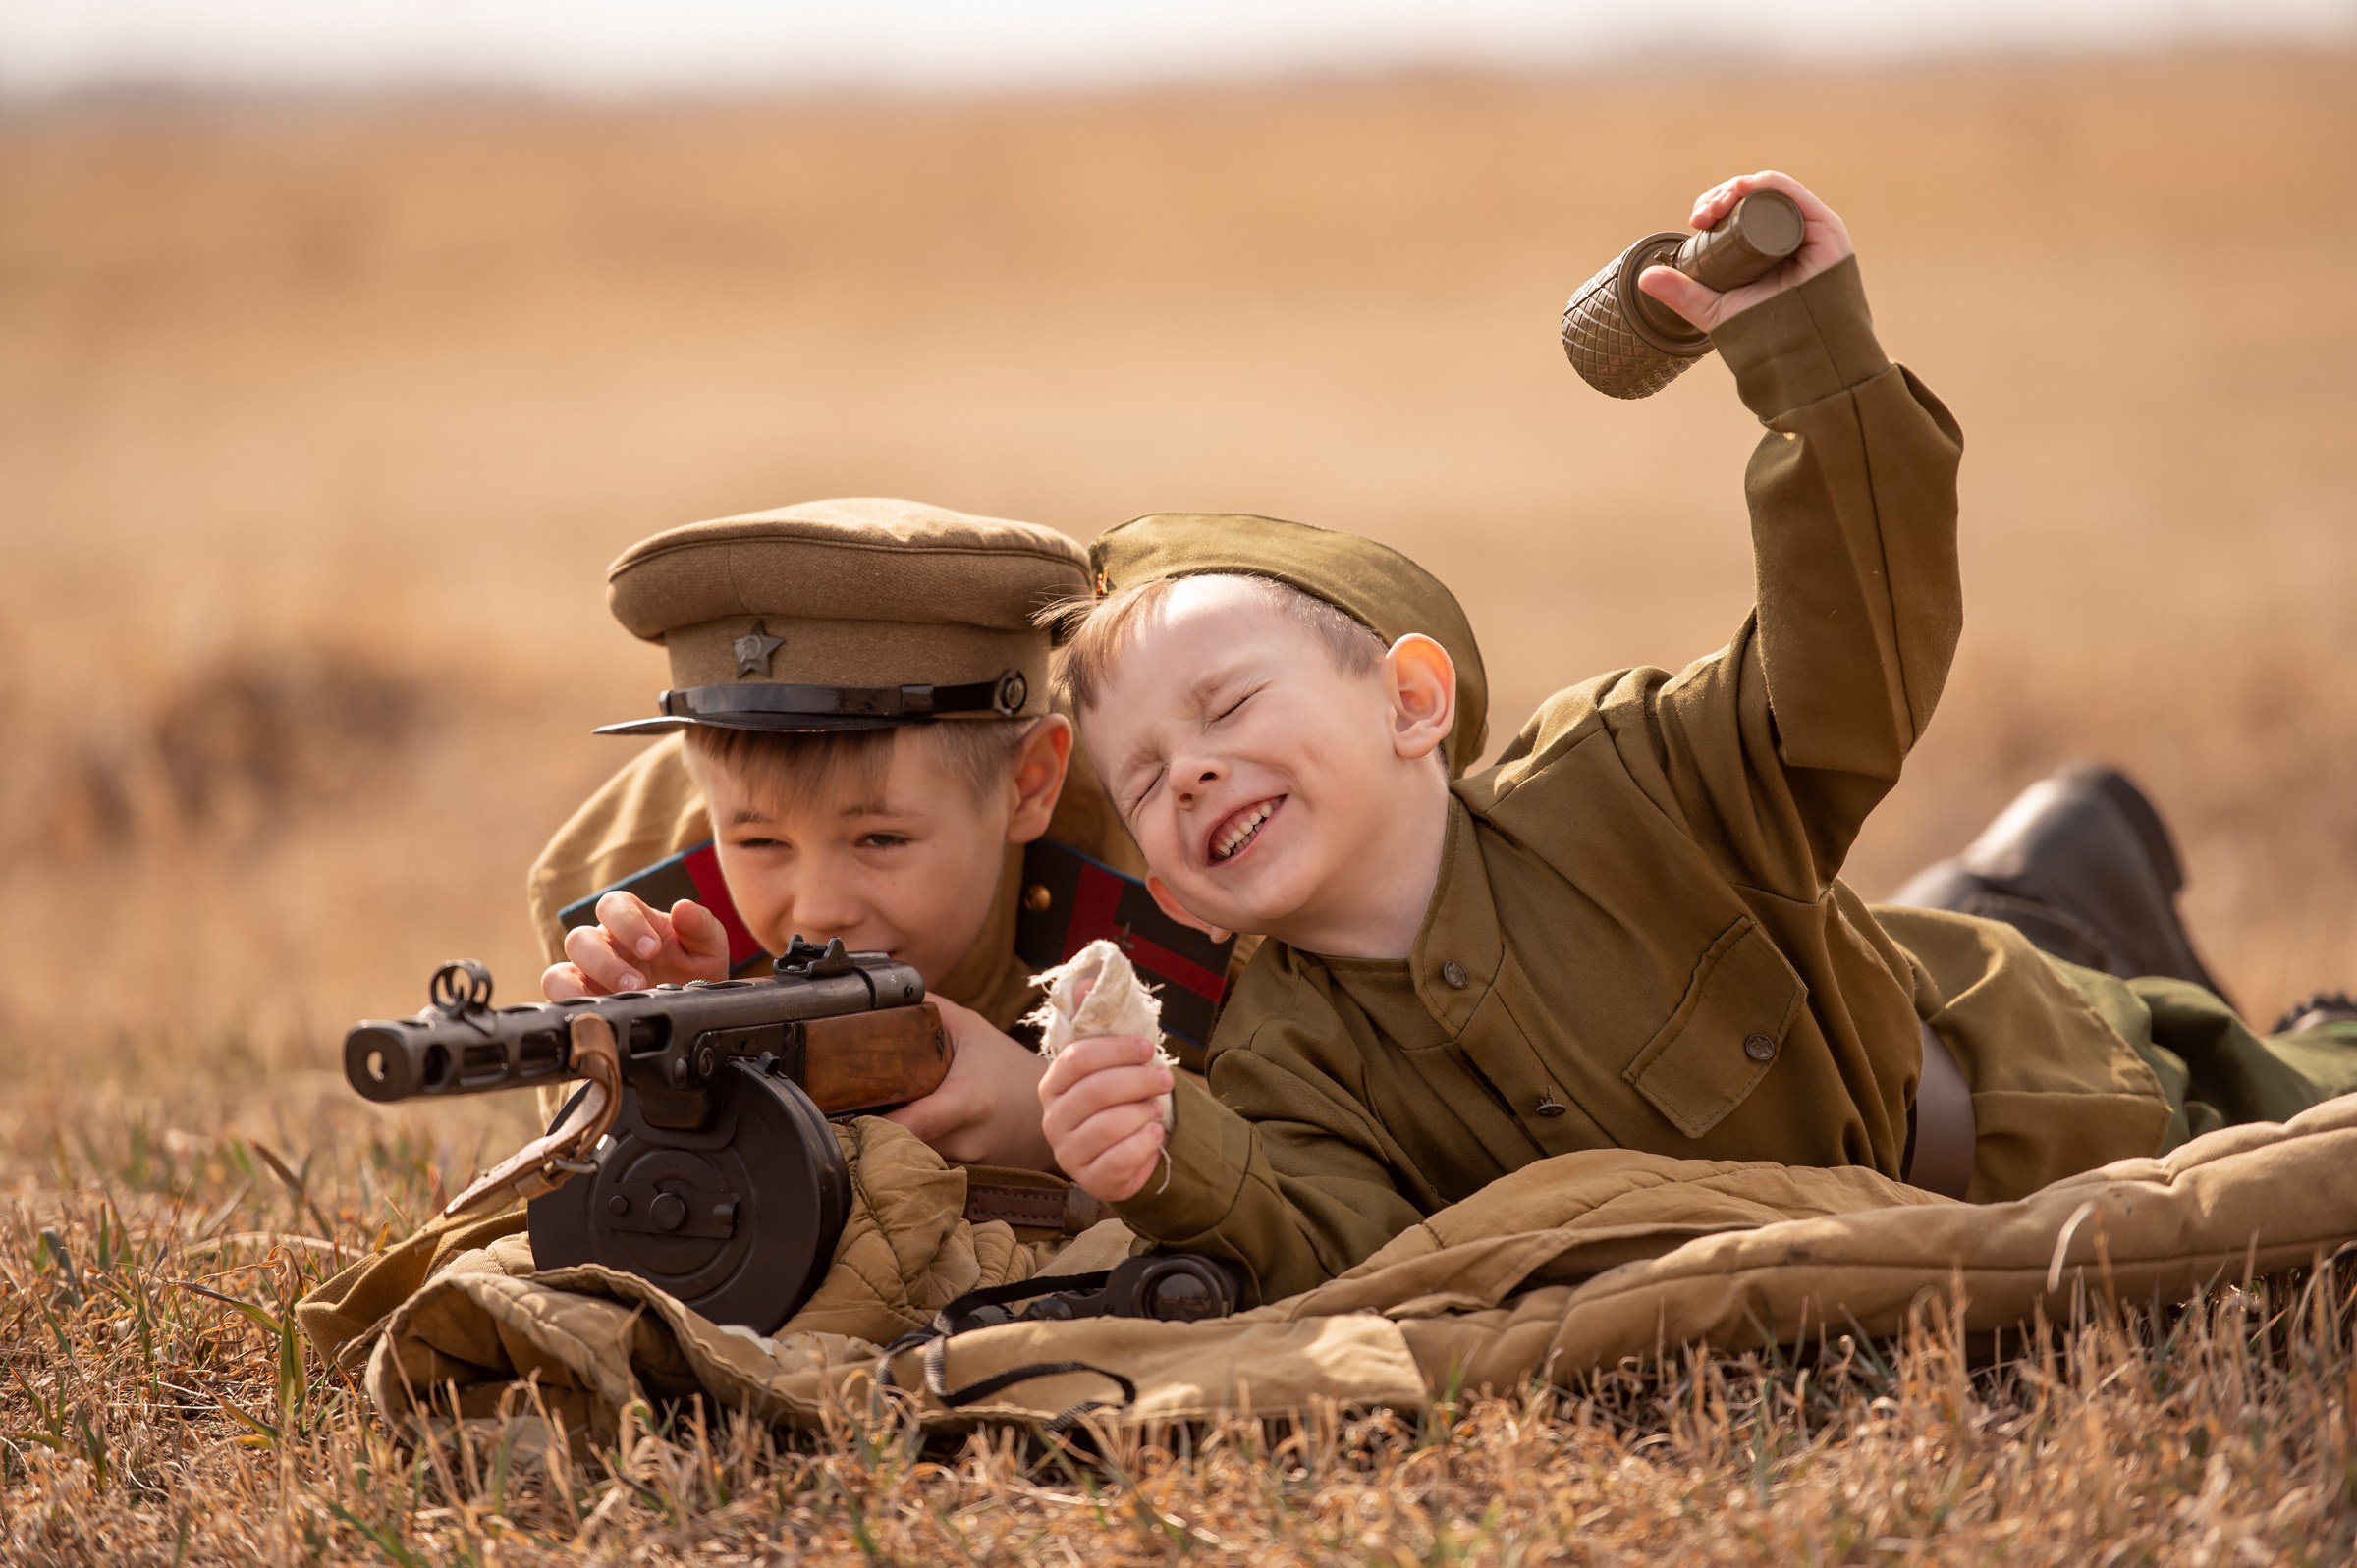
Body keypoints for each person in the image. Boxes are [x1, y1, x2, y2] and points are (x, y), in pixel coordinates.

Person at [1029, 170, 2357, 1305]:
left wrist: (1808, 360)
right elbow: (1354, 1252)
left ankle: (2052, 900)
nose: (1187, 770)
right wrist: (1164, 1159)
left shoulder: (1625, 779)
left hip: (2054, 1105)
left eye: (1229, 707)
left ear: (1411, 703)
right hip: (1821, 1279)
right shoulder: (1274, 1057)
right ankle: (2041, 877)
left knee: (2318, 1103)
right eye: (1140, 778)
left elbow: (1847, 662)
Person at [535, 498, 1240, 1187]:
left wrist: (1054, 1121)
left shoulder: (1190, 873)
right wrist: (671, 1077)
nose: (819, 911)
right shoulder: (635, 899)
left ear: (1028, 785)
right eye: (759, 842)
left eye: (879, 837)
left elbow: (1301, 1173)